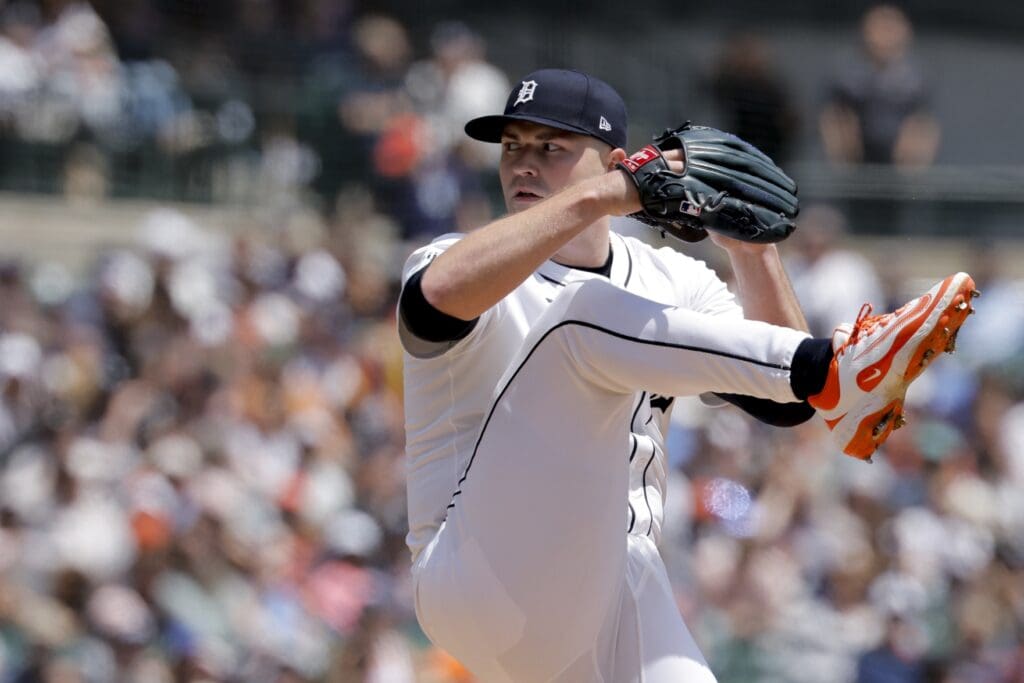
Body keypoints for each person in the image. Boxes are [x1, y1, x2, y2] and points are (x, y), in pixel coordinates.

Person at [397, 68, 975, 682]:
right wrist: (604, 197)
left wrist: (754, 254)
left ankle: (834, 370)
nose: (523, 164)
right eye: (512, 146)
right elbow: (434, 299)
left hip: (609, 589)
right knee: (578, 319)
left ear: (614, 160)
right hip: (475, 568)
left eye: (551, 147)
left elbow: (786, 406)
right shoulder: (456, 258)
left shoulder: (673, 278)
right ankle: (836, 366)